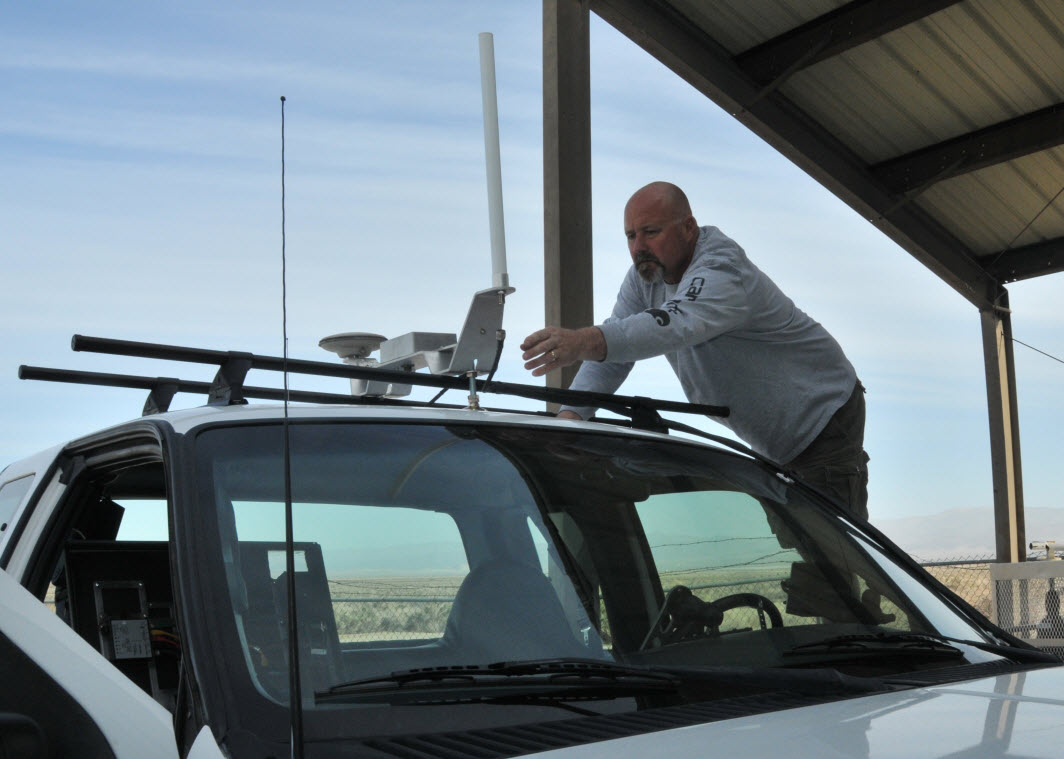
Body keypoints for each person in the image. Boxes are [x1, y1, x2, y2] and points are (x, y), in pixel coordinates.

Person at [521, 181, 869, 518]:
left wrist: (583, 340)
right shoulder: (645, 278)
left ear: (688, 227)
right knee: (805, 540)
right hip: (777, 440)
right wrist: (571, 418)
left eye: (650, 232)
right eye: (631, 235)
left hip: (823, 416)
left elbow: (675, 323)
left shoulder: (721, 268)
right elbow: (615, 351)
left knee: (834, 552)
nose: (638, 246)